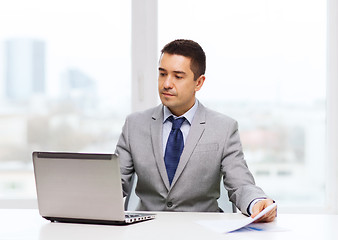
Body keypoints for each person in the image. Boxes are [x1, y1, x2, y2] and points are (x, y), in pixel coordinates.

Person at [115, 39, 277, 222]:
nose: (166, 83)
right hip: (147, 229)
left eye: (178, 76)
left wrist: (257, 202)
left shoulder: (223, 128)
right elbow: (114, 185)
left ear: (198, 83)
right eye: (162, 74)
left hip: (203, 230)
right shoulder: (134, 124)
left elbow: (240, 184)